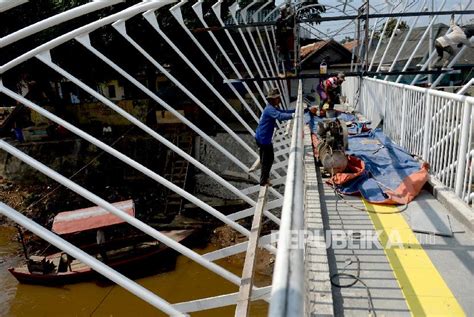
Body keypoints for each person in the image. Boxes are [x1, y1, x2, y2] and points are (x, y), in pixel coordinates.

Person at [255, 89, 295, 186]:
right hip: (263, 138)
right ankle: (263, 181)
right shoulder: (270, 110)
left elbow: (283, 112)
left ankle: (265, 178)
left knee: (268, 159)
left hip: (263, 137)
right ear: (273, 99)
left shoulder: (271, 108)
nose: (279, 100)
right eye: (277, 98)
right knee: (267, 160)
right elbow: (280, 116)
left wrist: (295, 111)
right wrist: (293, 115)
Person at [276, 7, 295, 74]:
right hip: (281, 41)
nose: (286, 13)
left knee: (287, 56)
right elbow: (279, 26)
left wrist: (292, 16)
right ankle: (280, 69)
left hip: (285, 41)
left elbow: (291, 25)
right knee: (281, 57)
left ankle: (288, 68)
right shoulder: (279, 20)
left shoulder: (285, 20)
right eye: (285, 12)